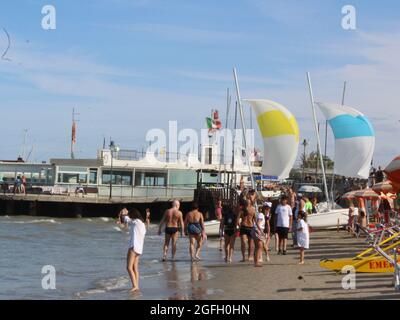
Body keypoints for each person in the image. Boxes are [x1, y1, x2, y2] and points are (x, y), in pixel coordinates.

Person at [117, 208, 146, 292]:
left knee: (129, 267)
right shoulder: (142, 224)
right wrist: (125, 214)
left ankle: (135, 286)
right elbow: (127, 219)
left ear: (133, 216)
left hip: (133, 247)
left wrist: (123, 213)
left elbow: (126, 219)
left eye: (130, 215)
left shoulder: (135, 222)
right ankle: (137, 285)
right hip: (139, 248)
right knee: (135, 267)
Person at [252, 203, 267, 267]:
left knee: (257, 247)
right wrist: (260, 231)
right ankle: (256, 262)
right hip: (257, 230)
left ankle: (256, 262)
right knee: (259, 246)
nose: (268, 211)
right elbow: (258, 222)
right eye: (267, 209)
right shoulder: (261, 215)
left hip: (255, 230)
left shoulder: (260, 214)